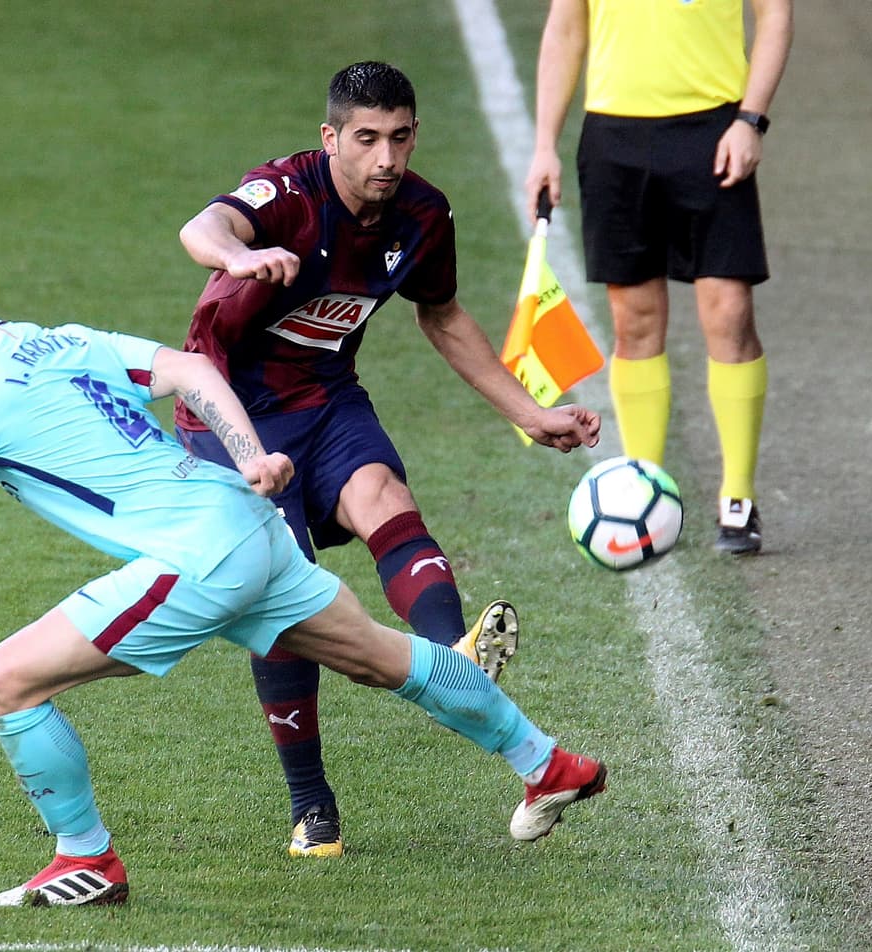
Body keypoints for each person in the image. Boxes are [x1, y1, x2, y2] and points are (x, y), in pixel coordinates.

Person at [0, 222, 607, 907]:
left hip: (196, 558)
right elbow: (187, 368)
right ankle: (546, 762)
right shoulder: (61, 339)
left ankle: (87, 857)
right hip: (245, 517)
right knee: (383, 657)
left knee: (5, 684)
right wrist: (252, 455)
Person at [176, 61, 601, 856]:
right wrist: (235, 259)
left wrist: (531, 413)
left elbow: (441, 316)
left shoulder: (421, 214)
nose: (384, 159)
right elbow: (204, 228)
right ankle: (312, 808)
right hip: (229, 414)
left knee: (385, 499)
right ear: (331, 137)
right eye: (365, 139)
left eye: (399, 138)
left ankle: (455, 655)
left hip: (326, 400)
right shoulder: (289, 195)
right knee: (285, 604)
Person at [525, 0, 793, 555]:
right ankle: (642, 487)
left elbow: (775, 17)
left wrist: (750, 119)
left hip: (714, 129)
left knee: (729, 311)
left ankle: (737, 498)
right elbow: (565, 29)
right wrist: (544, 145)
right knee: (635, 322)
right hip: (614, 141)